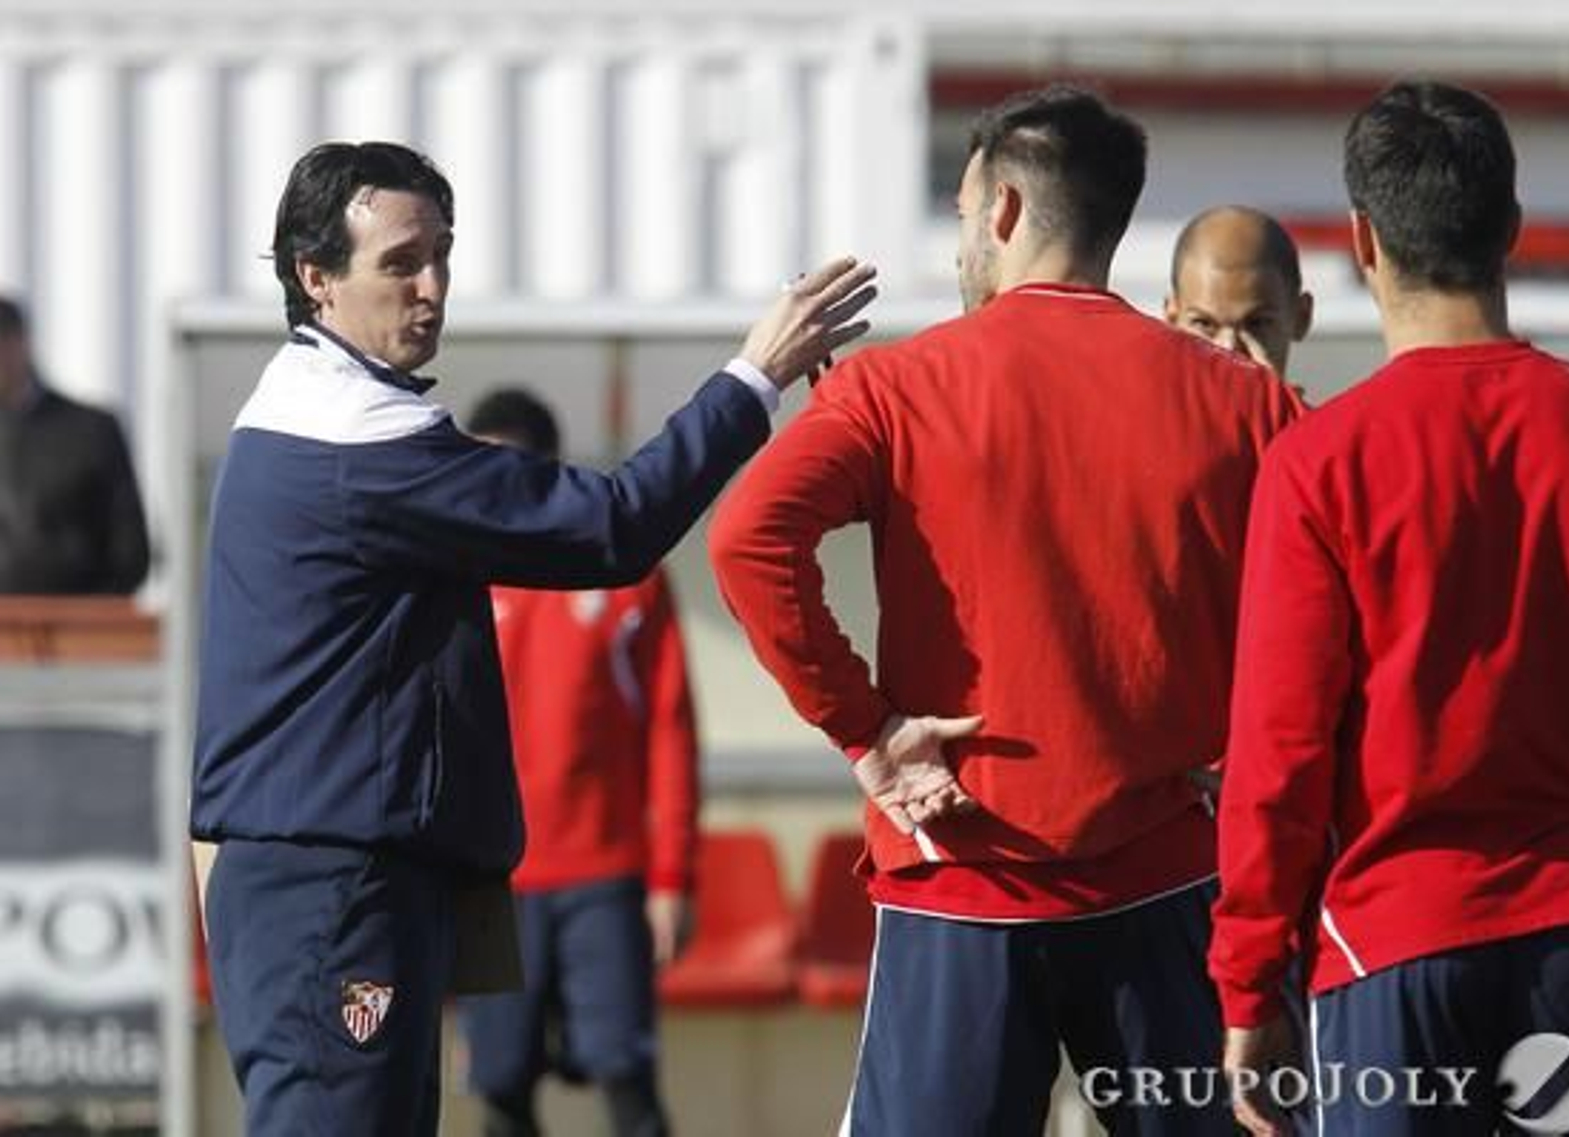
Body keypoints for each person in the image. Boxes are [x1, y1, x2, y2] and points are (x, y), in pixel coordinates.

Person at [189, 139, 876, 1137]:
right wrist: (751, 379)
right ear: (315, 278)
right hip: (333, 885)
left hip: (341, 878)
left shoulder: (306, 414)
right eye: (400, 264)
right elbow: (611, 527)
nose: (431, 289)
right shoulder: (351, 435)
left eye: (442, 257)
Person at [709, 85, 1301, 1136]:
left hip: (962, 874)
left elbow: (748, 539)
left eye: (960, 215)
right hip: (1168, 875)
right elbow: (1336, 592)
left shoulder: (896, 388)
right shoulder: (1245, 401)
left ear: (1008, 213)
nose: (959, 246)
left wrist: (868, 726)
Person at [1209, 81, 1569, 1137]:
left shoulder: (1319, 463)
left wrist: (1248, 984)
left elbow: (1278, 752)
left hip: (1390, 947)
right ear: (1511, 230)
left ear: (1361, 241)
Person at [455, 388, 699, 1137]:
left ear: (548, 471)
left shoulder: (622, 573)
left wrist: (671, 877)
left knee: (627, 1080)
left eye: (512, 470)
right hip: (487, 885)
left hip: (604, 876)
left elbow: (671, 731)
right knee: (500, 1088)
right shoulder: (446, 579)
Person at [0, 296, 150, 594]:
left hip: (75, 629)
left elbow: (130, 552)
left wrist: (89, 614)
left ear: (21, 343)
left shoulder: (91, 431)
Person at [1163, 205, 1313, 379]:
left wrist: (1273, 402)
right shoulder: (1137, 404)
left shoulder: (1326, 408)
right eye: (1204, 324)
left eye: (1257, 323)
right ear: (1171, 320)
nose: (1229, 348)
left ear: (1301, 317)